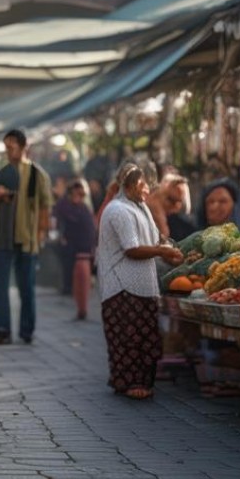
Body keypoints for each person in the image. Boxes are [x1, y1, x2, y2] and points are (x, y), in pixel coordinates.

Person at [97, 165, 184, 400]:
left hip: (144, 287)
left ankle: (141, 380)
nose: (147, 191)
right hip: (122, 287)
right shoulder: (118, 210)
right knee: (127, 339)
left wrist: (175, 249)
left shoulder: (141, 207)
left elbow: (156, 238)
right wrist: (163, 252)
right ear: (129, 186)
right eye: (143, 185)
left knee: (147, 339)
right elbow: (132, 249)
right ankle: (128, 381)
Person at [0, 130, 53, 345]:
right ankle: (1, 329)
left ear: (24, 148)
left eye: (11, 147)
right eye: (6, 147)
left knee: (26, 287)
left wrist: (40, 236)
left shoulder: (37, 174)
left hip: (27, 237)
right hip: (3, 236)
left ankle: (27, 330)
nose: (8, 151)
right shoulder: (3, 172)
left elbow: (44, 207)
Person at [53, 181, 96, 320]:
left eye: (82, 194)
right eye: (78, 194)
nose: (80, 197)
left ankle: (82, 308)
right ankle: (80, 308)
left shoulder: (83, 208)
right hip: (71, 246)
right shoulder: (64, 205)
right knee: (77, 277)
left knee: (82, 276)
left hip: (84, 246)